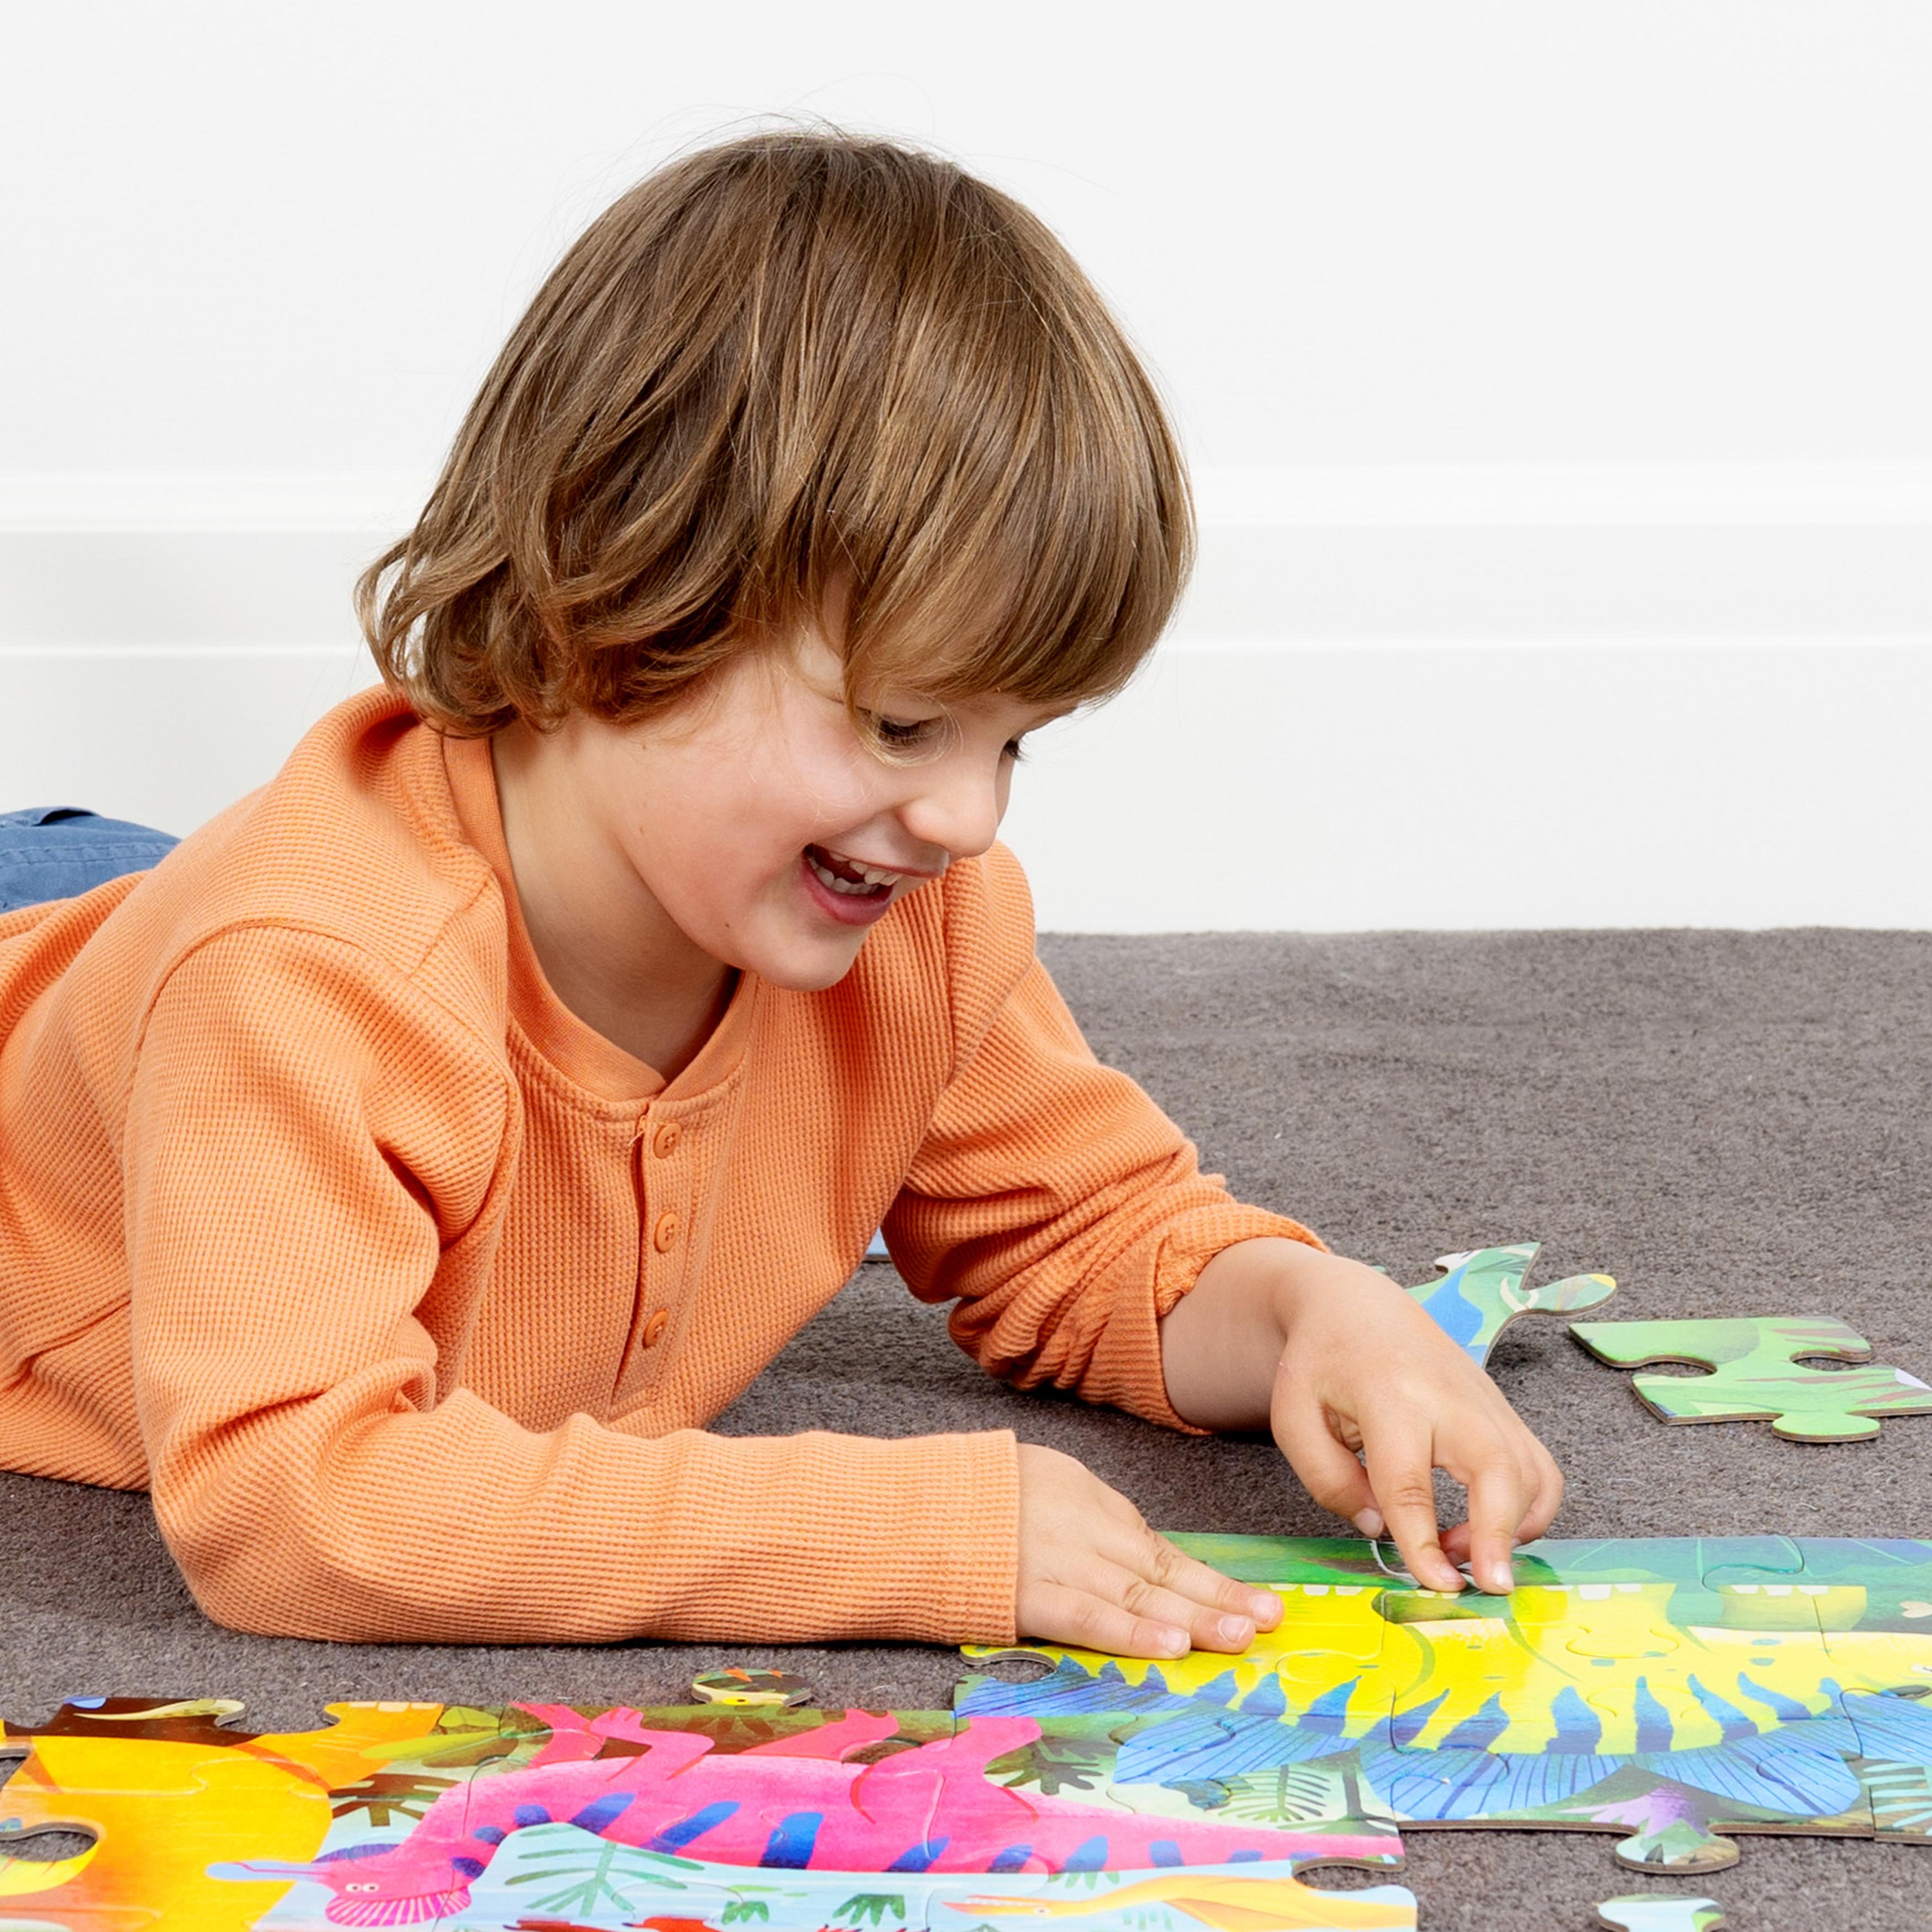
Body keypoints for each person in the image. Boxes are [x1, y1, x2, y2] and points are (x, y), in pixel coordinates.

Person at [0, 130, 1559, 1655]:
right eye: (897, 724)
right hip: (131, 966)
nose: (964, 814)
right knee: (154, 905)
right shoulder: (305, 979)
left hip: (156, 917)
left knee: (137, 893)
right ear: (612, 591)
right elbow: (297, 1504)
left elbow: (1088, 1233)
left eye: (1014, 737)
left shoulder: (914, 915)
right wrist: (905, 1531)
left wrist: (1313, 1308)